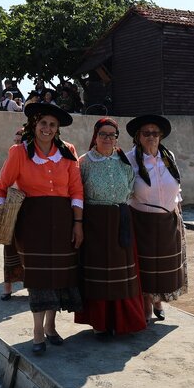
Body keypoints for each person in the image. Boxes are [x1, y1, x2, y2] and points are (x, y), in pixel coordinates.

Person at [0, 102, 84, 354]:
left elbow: (76, 190)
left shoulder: (68, 152)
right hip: (32, 224)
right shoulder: (19, 152)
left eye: (52, 125)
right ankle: (36, 331)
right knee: (39, 277)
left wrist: (78, 223)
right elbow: (1, 186)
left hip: (64, 222)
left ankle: (51, 327)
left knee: (59, 278)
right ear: (34, 124)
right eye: (43, 123)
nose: (47, 128)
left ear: (58, 129)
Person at [74, 118, 146, 336]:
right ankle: (100, 322)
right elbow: (77, 193)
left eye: (112, 135)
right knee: (98, 274)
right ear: (95, 136)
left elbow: (131, 189)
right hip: (94, 222)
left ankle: (121, 320)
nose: (107, 138)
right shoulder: (84, 162)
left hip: (120, 221)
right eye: (103, 134)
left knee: (121, 274)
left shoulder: (124, 161)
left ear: (117, 138)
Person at [126, 114, 186, 323]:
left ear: (160, 136)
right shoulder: (129, 159)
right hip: (141, 221)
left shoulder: (168, 158)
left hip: (168, 220)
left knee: (163, 267)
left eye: (155, 133)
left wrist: (176, 209)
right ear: (138, 136)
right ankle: (146, 305)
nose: (151, 136)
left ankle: (157, 299)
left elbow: (176, 186)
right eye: (146, 133)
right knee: (145, 267)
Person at [0, 126, 25, 301]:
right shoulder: (10, 157)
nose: (16, 144)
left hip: (28, 208)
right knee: (9, 247)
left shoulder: (31, 159)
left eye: (20, 141)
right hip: (11, 206)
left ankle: (32, 287)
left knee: (28, 249)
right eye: (15, 141)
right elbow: (2, 181)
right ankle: (7, 288)